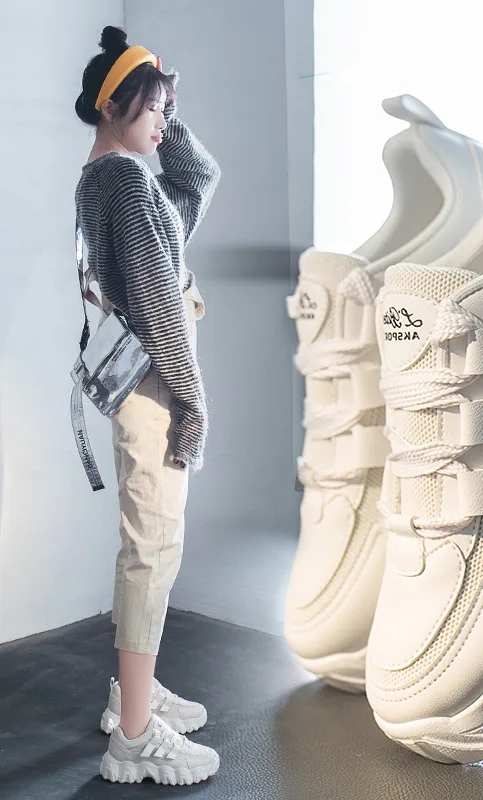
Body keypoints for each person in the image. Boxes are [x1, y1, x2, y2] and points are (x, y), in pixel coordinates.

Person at [74, 25, 222, 785]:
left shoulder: (111, 177)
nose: (163, 123)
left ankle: (133, 692)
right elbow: (162, 307)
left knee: (150, 545)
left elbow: (197, 180)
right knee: (153, 548)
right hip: (153, 383)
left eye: (167, 109)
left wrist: (169, 102)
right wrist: (192, 402)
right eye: (154, 108)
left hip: (135, 382)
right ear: (114, 105)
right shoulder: (127, 186)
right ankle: (133, 737)